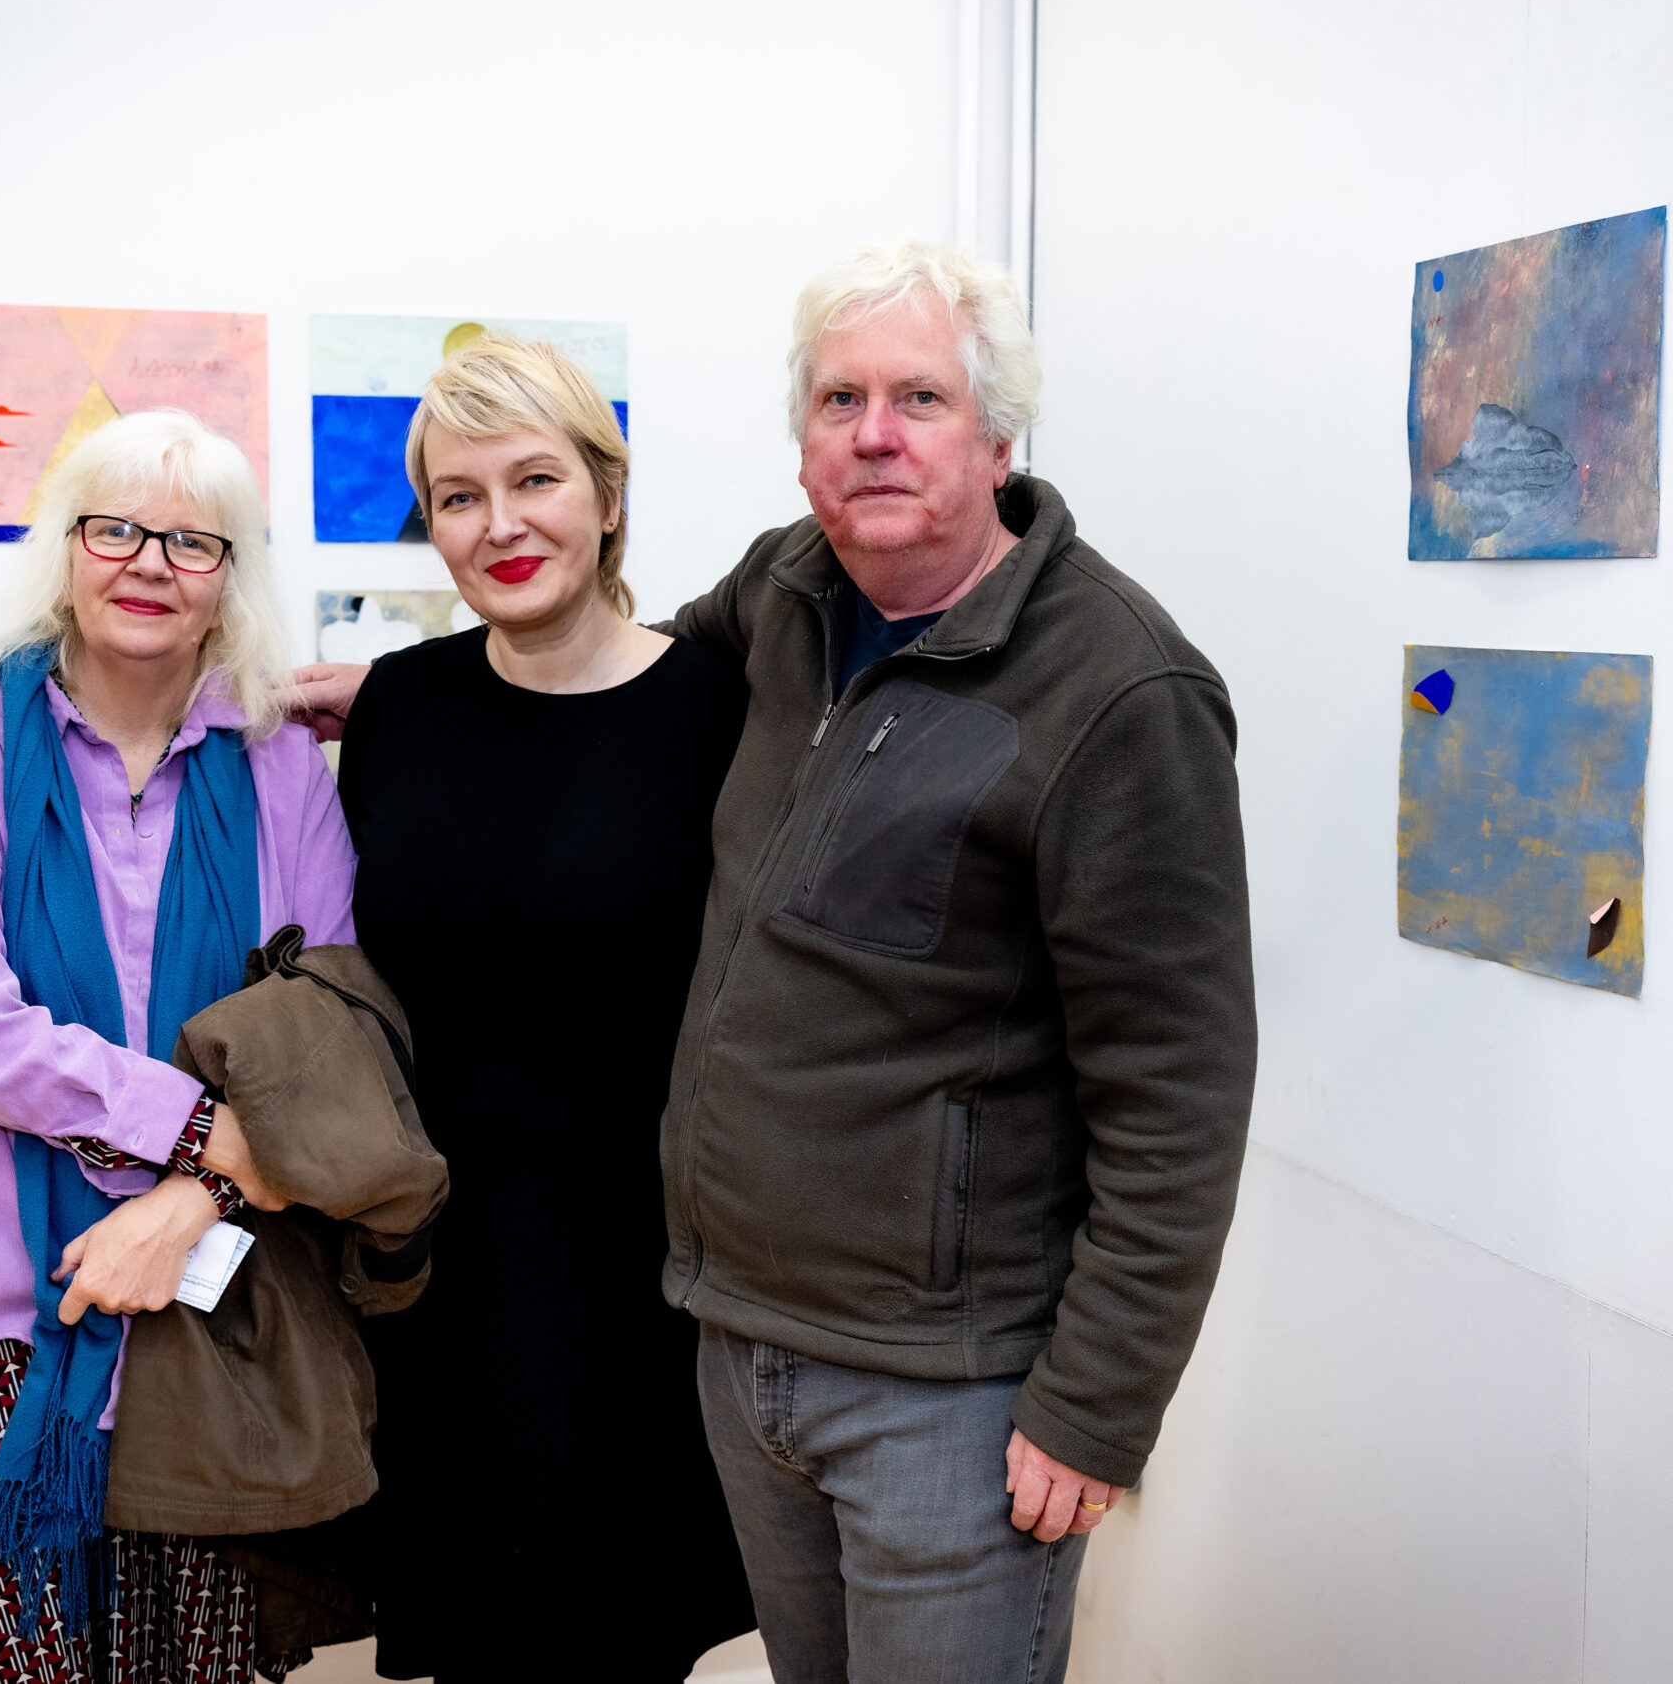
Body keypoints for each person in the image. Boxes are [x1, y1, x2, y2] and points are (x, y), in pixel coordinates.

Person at [658, 239, 1257, 1683]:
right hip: (743, 1342)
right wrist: (410, 696)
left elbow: (1176, 1093)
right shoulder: (784, 588)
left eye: (918, 397)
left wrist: (1096, 1406)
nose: (874, 433)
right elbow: (627, 686)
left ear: (997, 438)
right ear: (803, 440)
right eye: (840, 398)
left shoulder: (1121, 689)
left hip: (951, 1395)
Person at [0, 408, 353, 1683]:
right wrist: (198, 1126)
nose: (150, 563)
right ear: (64, 552)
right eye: (114, 529)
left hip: (210, 1319)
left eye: (192, 541)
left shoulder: (282, 767)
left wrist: (193, 1197)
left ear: (229, 577)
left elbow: (325, 1028)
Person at [287, 337, 755, 1681]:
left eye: (535, 479)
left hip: (636, 1276)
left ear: (607, 495)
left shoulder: (718, 711)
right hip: (430, 1270)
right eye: (459, 495)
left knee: (609, 1637)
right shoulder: (403, 705)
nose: (499, 524)